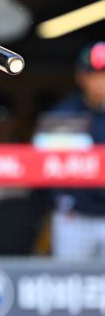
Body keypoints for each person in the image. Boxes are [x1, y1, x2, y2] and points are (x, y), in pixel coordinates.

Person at [38, 42, 105, 259]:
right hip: (75, 217)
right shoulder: (64, 114)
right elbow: (42, 166)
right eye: (94, 74)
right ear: (81, 77)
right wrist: (60, 201)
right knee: (69, 277)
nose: (101, 81)